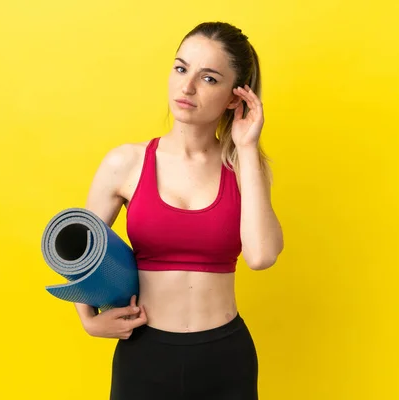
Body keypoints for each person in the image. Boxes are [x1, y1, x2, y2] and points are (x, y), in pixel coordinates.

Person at [74, 21, 283, 400]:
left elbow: (261, 255)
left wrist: (248, 148)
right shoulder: (125, 162)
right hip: (144, 357)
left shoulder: (244, 167)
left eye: (209, 79)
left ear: (235, 98)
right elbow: (79, 255)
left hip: (226, 359)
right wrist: (88, 320)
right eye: (181, 68)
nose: (186, 88)